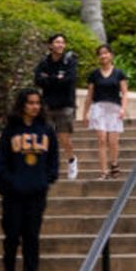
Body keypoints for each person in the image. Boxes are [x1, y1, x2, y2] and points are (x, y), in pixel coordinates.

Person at [0, 87, 57, 271]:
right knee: (12, 233)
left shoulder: (47, 130)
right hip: (13, 193)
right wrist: (10, 182)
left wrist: (48, 178)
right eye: (30, 103)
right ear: (22, 105)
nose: (35, 107)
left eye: (37, 103)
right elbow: (0, 161)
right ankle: (9, 262)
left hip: (36, 193)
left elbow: (53, 159)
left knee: (31, 237)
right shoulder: (10, 131)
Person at [33, 33, 81, 181]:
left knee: (63, 136)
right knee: (45, 136)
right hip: (47, 104)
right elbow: (38, 80)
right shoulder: (44, 62)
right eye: (57, 42)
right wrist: (57, 79)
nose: (60, 45)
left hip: (65, 105)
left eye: (62, 42)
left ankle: (72, 160)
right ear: (50, 45)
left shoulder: (69, 61)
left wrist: (50, 79)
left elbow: (69, 80)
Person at [85, 44, 129, 179]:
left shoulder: (119, 73)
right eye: (100, 53)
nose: (103, 56)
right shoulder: (94, 74)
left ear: (111, 55)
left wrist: (123, 109)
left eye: (105, 53)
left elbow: (125, 93)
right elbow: (89, 95)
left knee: (113, 141)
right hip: (98, 108)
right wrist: (85, 113)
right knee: (102, 140)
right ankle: (104, 172)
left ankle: (114, 163)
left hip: (114, 109)